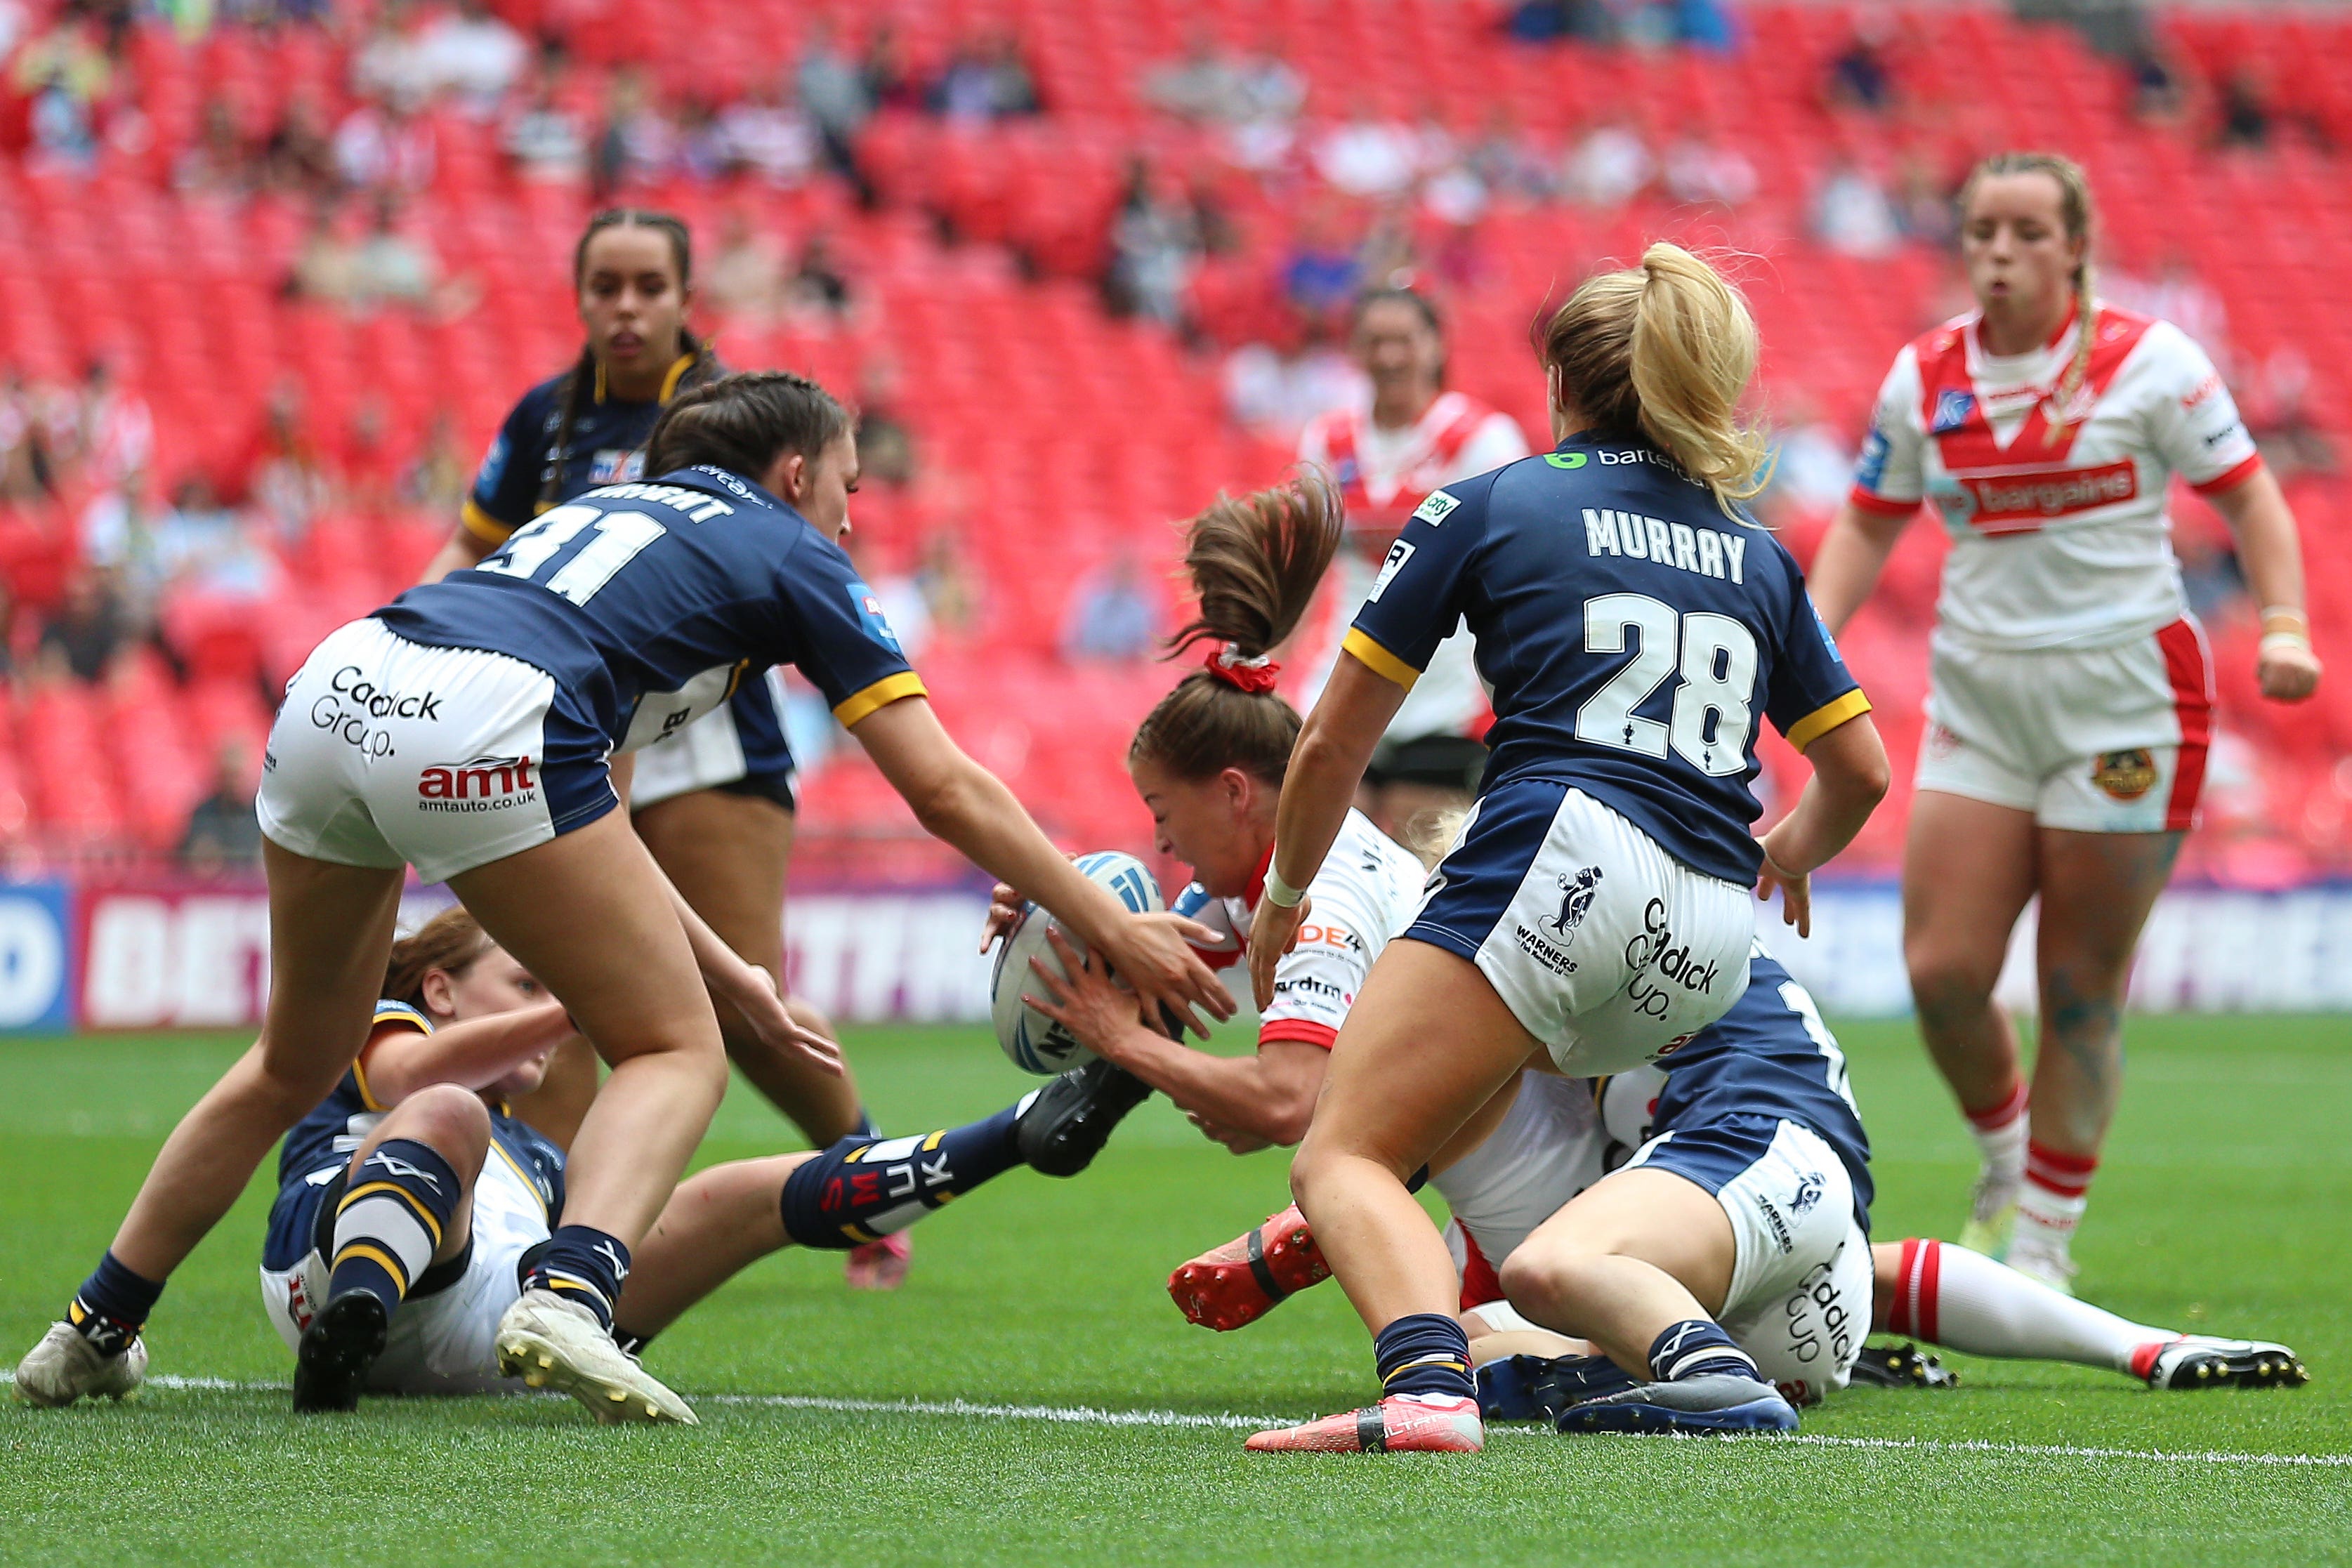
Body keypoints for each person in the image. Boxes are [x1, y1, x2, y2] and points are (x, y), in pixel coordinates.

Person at [12, 369, 1231, 1417]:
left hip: (342, 683)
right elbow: (943, 785)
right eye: (849, 489)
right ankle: (570, 1292)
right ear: (796, 470)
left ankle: (91, 1328)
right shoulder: (789, 546)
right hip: (492, 711)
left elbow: (590, 822)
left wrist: (734, 969)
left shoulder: (613, 517)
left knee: (294, 1061)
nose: (851, 522)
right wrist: (1105, 917)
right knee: (673, 1051)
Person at [1241, 243, 1891, 1454]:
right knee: (1463, 1097)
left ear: (1560, 385)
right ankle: (1672, 1346)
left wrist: (1285, 889)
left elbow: (1330, 740)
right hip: (1710, 929)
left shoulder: (1492, 499)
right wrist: (1788, 848)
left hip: (1564, 853)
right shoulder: (1753, 547)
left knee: (1342, 1150)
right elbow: (1859, 772)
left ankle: (1428, 1388)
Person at [1806, 152, 2323, 1293]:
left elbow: (2248, 496)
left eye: (2025, 231)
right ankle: (2004, 1162)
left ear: (2073, 246)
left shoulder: (2151, 365)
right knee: (1940, 970)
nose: (1997, 249)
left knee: (2077, 984)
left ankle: (2040, 1239)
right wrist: (1803, 642)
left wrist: (2281, 622)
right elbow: (1862, 521)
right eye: (1980, 228)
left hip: (2123, 703)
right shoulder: (1923, 375)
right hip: (1979, 702)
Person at [1169, 946, 2307, 1417]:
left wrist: (1287, 1233)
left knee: (1547, 1270)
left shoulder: (1570, 945)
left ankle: (1677, 1386)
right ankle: (1657, 1366)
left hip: (1764, 1162)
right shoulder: (1672, 927)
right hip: (1809, 1261)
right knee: (1478, 1320)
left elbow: (1409, 1107)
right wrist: (2138, 1345)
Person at [415, 211, 907, 1282]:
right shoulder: (543, 421)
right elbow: (472, 543)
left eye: (647, 286)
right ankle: (562, 1229)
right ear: (579, 295)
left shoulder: (731, 415)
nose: (625, 307)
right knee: (568, 989)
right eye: (605, 286)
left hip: (711, 732)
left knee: (742, 997)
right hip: (552, 713)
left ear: (687, 299)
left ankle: (866, 1180)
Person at [256, 908, 1149, 1418]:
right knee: (450, 1113)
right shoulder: (382, 1041)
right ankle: (356, 1317)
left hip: (487, 1334)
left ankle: (1019, 1130)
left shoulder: (532, 1145)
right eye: (523, 982)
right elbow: (420, 1081)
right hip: (336, 1268)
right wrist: (575, 1006)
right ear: (442, 990)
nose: (545, 1003)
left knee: (742, 1193)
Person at [998, 473, 1427, 1158]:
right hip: (1464, 1165)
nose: (1162, 841)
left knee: (1319, 1174)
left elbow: (1285, 1102)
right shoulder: (1259, 877)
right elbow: (1149, 966)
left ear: (1233, 793)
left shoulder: (1322, 896)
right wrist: (1049, 912)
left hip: (1542, 1182)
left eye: (1164, 811)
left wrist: (1120, 1042)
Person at [1292, 289, 1530, 850]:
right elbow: (1305, 568)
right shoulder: (1325, 441)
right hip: (1344, 681)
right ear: (1355, 348)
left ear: (1435, 347)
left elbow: (1516, 572)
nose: (1390, 356)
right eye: (1375, 341)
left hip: (1447, 695)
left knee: (1421, 869)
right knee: (1336, 865)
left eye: (1404, 340)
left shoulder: (1482, 439)